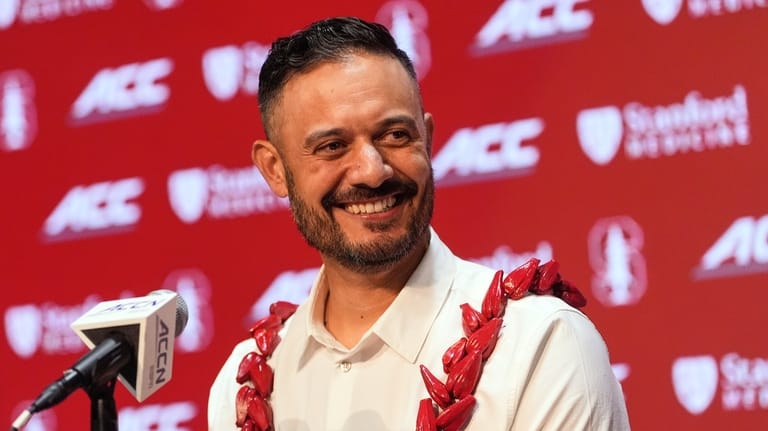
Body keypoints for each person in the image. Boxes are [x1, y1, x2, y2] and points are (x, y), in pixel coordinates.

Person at [208, 16, 630, 431]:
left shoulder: (541, 346)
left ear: (426, 140)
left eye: (395, 135)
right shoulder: (243, 387)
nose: (372, 171)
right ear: (275, 169)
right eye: (333, 146)